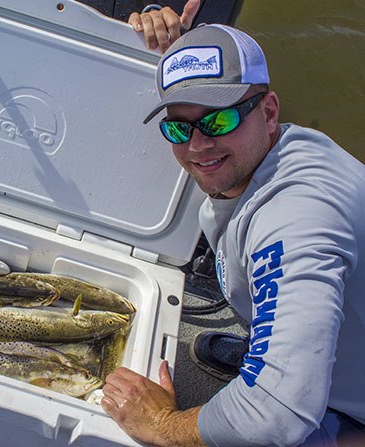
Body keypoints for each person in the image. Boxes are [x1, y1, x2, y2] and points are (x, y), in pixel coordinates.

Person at [100, 22, 365, 447]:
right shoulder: (285, 152)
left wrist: (164, 425)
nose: (198, 145)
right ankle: (277, 354)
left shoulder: (298, 218)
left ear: (269, 111)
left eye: (219, 119)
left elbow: (275, 415)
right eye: (178, 128)